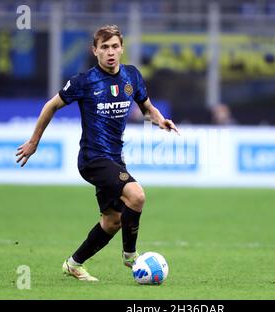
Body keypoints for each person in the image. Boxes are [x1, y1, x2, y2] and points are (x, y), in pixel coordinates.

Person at [16, 25, 179, 281]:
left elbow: (147, 107)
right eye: (104, 47)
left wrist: (160, 120)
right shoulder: (84, 81)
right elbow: (51, 105)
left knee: (112, 221)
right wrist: (34, 141)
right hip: (93, 159)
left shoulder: (132, 76)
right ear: (95, 51)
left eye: (114, 46)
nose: (110, 52)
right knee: (136, 195)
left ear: (122, 48)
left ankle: (73, 264)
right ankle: (131, 256)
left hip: (115, 159)